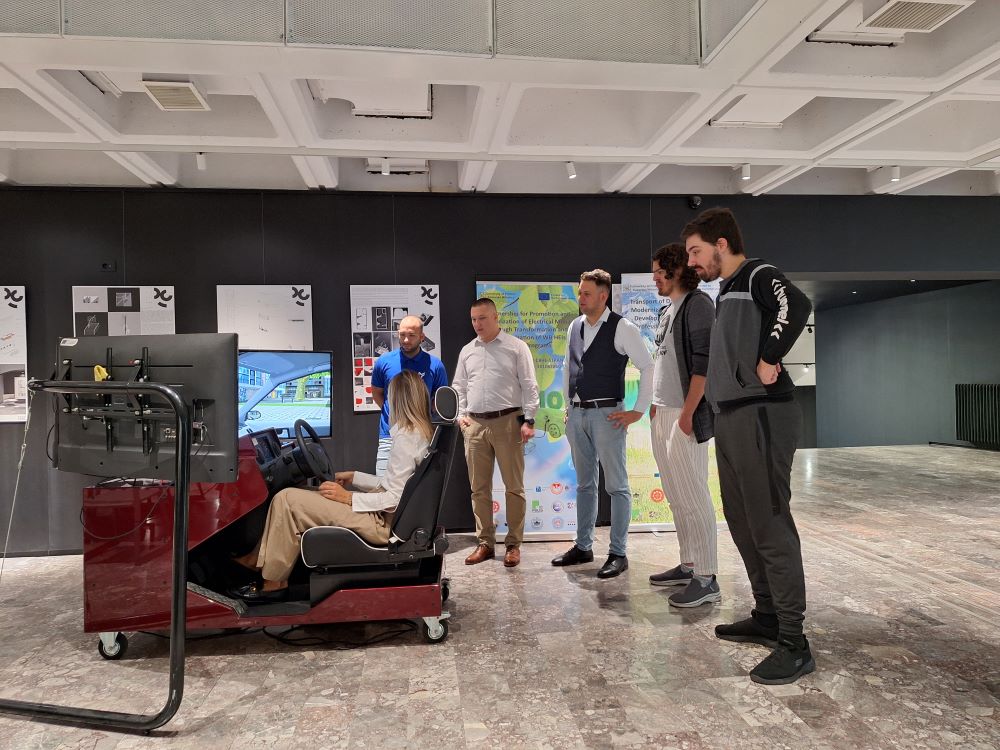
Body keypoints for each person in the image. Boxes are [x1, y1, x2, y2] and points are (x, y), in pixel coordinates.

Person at [684, 207, 814, 685]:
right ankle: (768, 616)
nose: (692, 262)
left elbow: (796, 304)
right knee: (741, 521)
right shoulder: (726, 290)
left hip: (762, 414)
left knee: (770, 524)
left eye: (696, 251)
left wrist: (769, 356)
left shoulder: (758, 274)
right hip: (732, 418)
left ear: (721, 244)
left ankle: (794, 642)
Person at [231, 370, 434, 602]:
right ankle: (258, 559)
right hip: (386, 516)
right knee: (300, 494)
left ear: (399, 400)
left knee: (287, 499)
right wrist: (353, 477)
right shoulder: (416, 434)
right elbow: (395, 485)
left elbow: (393, 499)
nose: (387, 404)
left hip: (382, 523)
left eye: (389, 398)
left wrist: (347, 497)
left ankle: (274, 582)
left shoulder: (406, 440)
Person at [551, 269, 653, 579]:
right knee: (585, 484)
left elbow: (648, 366)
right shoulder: (575, 326)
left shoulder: (622, 327)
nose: (580, 298)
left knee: (617, 486)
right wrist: (568, 406)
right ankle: (583, 546)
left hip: (608, 414)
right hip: (577, 414)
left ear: (603, 295)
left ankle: (618, 553)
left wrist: (638, 410)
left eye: (586, 293)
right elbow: (568, 367)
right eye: (579, 293)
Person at [647, 243, 721, 608]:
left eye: (659, 272)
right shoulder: (668, 310)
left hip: (684, 414)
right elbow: (663, 361)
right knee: (676, 496)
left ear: (677, 270)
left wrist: (689, 413)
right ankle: (689, 564)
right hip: (663, 412)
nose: (655, 279)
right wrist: (654, 404)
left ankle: (707, 578)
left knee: (693, 495)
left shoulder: (698, 305)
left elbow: (704, 365)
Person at [453, 298, 540, 568]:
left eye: (482, 318)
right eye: (473, 319)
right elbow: (459, 386)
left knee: (514, 487)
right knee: (478, 488)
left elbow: (529, 385)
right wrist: (461, 416)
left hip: (508, 422)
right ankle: (485, 544)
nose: (477, 324)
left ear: (495, 317)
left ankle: (513, 545)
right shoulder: (467, 350)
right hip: (475, 425)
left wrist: (529, 420)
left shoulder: (516, 347)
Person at [371, 315, 448, 476]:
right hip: (389, 436)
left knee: (418, 488)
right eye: (402, 335)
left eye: (411, 335)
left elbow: (439, 401)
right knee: (382, 484)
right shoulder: (384, 362)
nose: (406, 340)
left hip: (422, 437)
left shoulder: (435, 365)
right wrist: (396, 413)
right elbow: (377, 393)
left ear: (422, 337)